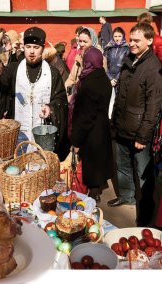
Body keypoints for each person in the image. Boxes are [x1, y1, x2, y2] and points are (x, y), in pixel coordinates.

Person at [0, 27, 69, 161]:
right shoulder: (13, 70)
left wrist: (51, 108)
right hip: (17, 136)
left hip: (42, 135)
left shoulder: (52, 73)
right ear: (23, 47)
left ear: (42, 48)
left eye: (36, 47)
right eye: (28, 47)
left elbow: (61, 100)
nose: (32, 51)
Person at [108, 23, 162, 227]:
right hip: (122, 127)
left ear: (149, 40)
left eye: (136, 40)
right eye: (130, 39)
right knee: (122, 167)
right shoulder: (128, 59)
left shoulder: (153, 68)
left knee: (143, 175)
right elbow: (120, 92)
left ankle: (146, 216)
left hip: (139, 133)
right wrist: (114, 121)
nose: (131, 43)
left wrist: (142, 137)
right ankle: (126, 196)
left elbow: (153, 107)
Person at [71, 46, 113, 202]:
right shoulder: (103, 78)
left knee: (91, 166)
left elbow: (84, 117)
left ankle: (91, 198)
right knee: (98, 164)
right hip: (102, 128)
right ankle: (95, 192)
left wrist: (76, 141)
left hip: (91, 133)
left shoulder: (89, 84)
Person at [103, 27, 129, 118]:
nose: (117, 38)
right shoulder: (108, 48)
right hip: (109, 77)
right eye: (115, 36)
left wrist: (117, 78)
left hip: (121, 78)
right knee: (108, 100)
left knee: (120, 101)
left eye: (119, 36)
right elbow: (104, 65)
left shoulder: (127, 49)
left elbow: (126, 65)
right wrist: (110, 78)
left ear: (123, 36)